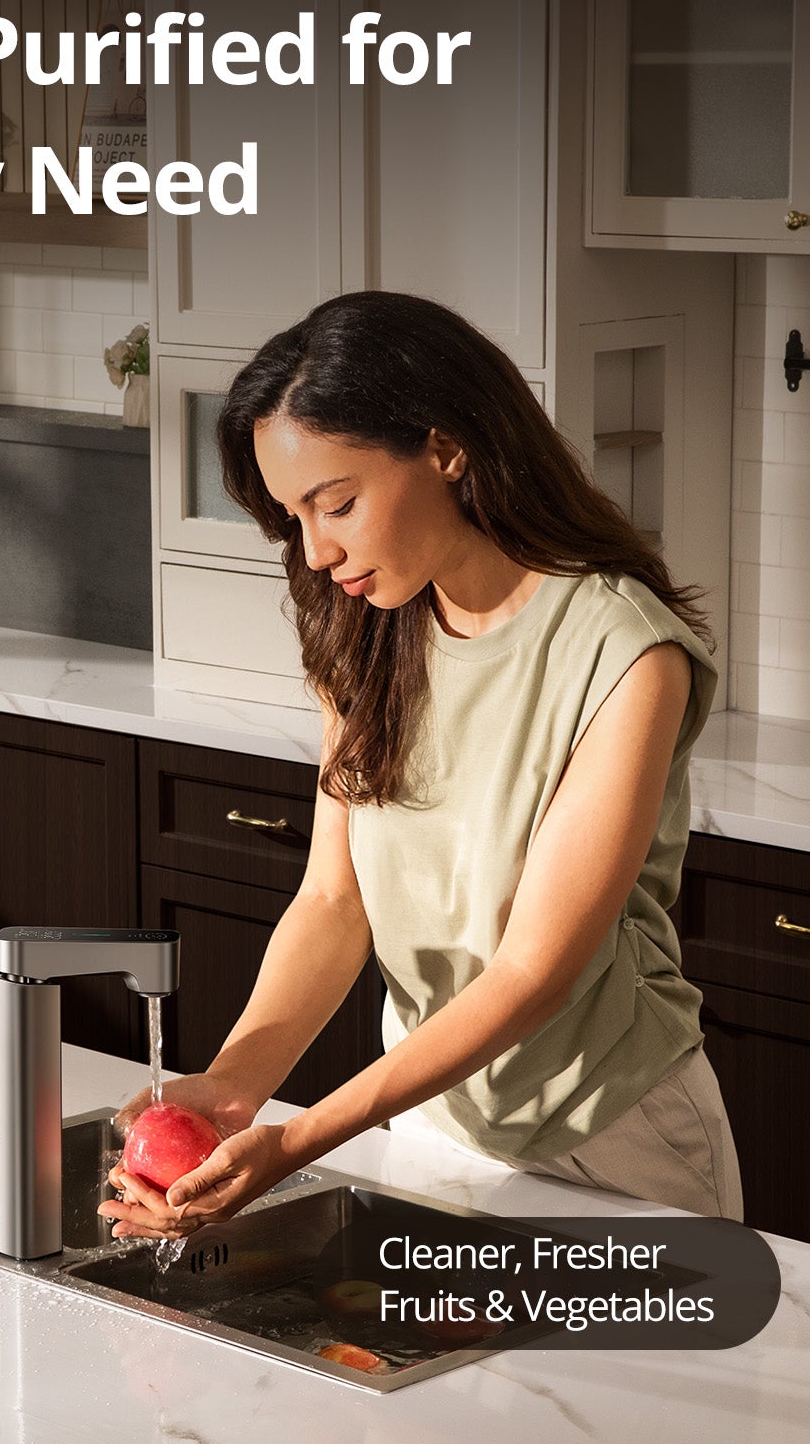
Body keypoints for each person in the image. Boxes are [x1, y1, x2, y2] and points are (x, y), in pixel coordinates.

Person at [101, 290, 742, 1240]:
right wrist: (234, 1090)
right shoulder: (368, 632)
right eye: (295, 518)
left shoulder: (624, 652)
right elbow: (333, 902)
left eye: (340, 504)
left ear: (446, 448)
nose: (318, 553)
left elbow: (534, 972)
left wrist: (302, 1139)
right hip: (435, 1124)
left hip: (617, 1139)